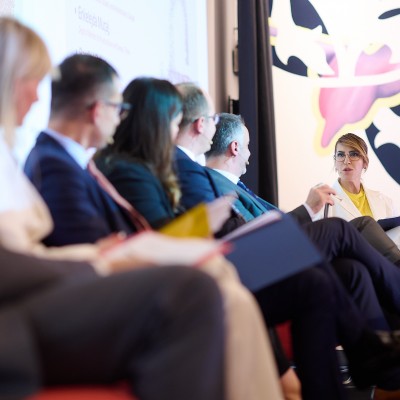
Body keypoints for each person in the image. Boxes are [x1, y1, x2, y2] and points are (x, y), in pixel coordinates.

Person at [92, 79, 400, 398]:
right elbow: (163, 234)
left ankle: (363, 362)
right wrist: (206, 223)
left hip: (230, 252)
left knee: (334, 275)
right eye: (174, 121)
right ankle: (370, 349)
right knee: (340, 231)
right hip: (223, 261)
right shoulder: (156, 168)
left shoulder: (162, 166)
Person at [23, 55, 285, 400]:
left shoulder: (73, 162)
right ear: (97, 109)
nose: (121, 117)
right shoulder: (55, 165)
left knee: (227, 285)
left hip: (115, 283)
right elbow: (95, 250)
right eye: (118, 107)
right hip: (99, 300)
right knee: (221, 289)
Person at [0, 16, 227, 400]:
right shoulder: (59, 163)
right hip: (25, 309)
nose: (39, 97)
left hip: (41, 289)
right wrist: (95, 257)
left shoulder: (23, 158)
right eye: (31, 81)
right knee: (194, 290)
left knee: (212, 277)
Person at [322, 132, 400, 246]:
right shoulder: (325, 204)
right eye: (340, 155)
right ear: (335, 161)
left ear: (365, 162)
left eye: (353, 154)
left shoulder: (384, 201)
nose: (346, 161)